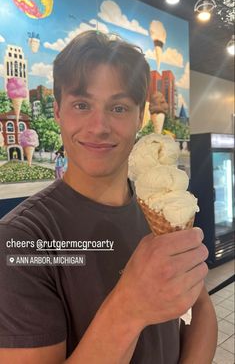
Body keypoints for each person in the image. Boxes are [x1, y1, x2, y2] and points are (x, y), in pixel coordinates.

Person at [0, 31, 217, 363]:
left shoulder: (158, 208)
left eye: (118, 107)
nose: (99, 126)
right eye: (81, 104)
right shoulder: (22, 240)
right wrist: (130, 306)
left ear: (139, 116)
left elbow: (200, 308)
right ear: (57, 112)